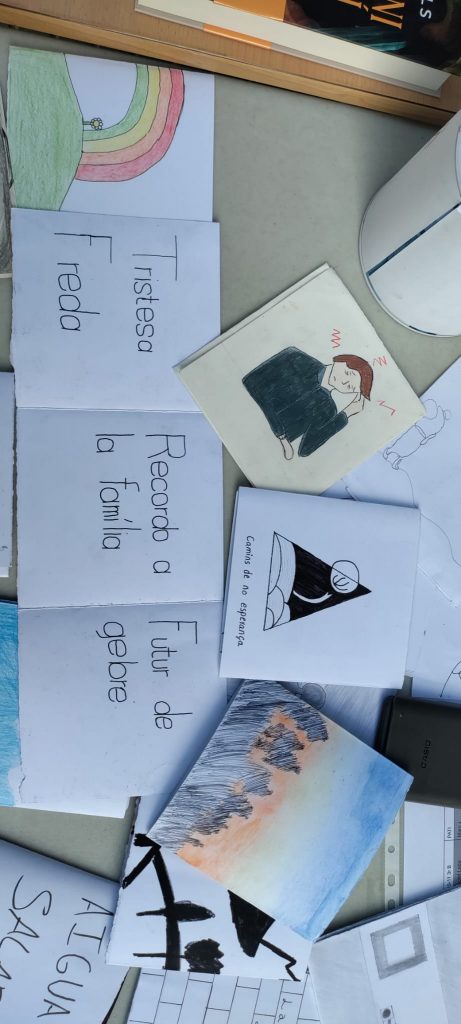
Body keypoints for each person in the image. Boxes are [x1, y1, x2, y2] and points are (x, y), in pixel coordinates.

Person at [242, 347, 373, 460]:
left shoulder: (328, 409)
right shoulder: (296, 358)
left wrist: (345, 414)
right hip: (244, 408)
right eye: (347, 373)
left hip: (257, 447)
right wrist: (280, 433)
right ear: (339, 361)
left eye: (350, 387)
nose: (344, 382)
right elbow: (251, 381)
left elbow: (305, 450)